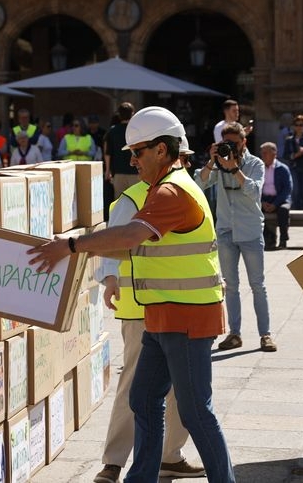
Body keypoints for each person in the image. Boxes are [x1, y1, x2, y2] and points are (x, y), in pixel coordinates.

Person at [28, 106, 234, 483]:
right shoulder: (160, 188)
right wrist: (89, 258)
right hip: (160, 316)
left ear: (162, 149)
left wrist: (72, 246)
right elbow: (135, 248)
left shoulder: (173, 191)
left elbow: (129, 236)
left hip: (187, 318)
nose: (132, 160)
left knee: (195, 412)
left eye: (138, 152)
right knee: (143, 400)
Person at [93, 136, 206, 483]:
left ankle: (170, 456)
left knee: (176, 390)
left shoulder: (185, 190)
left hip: (175, 305)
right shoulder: (133, 197)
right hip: (140, 307)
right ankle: (114, 462)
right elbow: (112, 241)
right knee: (134, 387)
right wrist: (109, 279)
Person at [196, 122, 277, 353]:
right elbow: (198, 184)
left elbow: (255, 191)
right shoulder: (218, 164)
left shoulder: (255, 163)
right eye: (225, 143)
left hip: (250, 231)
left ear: (244, 142)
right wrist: (212, 161)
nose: (230, 147)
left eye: (233, 143)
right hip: (225, 231)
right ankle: (234, 334)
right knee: (230, 286)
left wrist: (234, 169)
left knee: (257, 285)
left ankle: (265, 335)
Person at [259, 142, 293, 250]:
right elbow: (255, 187)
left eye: (265, 153)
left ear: (274, 154)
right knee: (255, 210)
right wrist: (262, 202)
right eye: (262, 153)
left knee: (283, 210)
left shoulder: (283, 168)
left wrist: (275, 203)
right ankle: (268, 239)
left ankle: (283, 239)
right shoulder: (259, 168)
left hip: (281, 199)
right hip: (264, 199)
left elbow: (287, 189)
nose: (263, 156)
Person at [104, 102, 138, 198]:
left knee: (119, 201)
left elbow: (108, 153)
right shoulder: (136, 130)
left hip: (118, 172)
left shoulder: (112, 131)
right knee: (136, 200)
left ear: (119, 115)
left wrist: (107, 171)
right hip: (136, 171)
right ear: (132, 114)